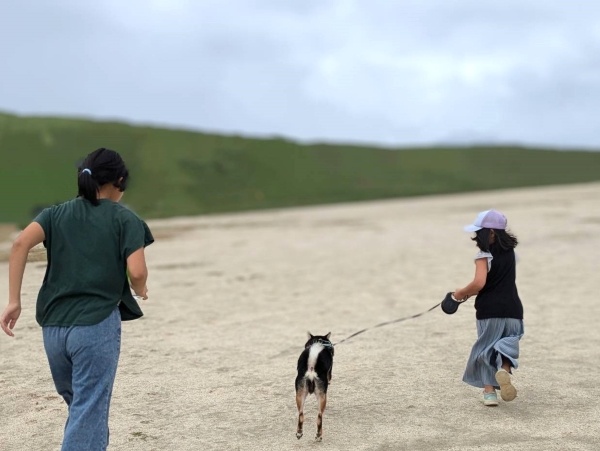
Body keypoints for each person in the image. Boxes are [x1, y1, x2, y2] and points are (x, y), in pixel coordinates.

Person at [0, 148, 154, 450]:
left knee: (82, 408)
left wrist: (14, 300)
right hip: (94, 325)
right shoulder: (124, 218)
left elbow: (19, 244)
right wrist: (142, 289)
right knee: (89, 409)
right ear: (120, 181)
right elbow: (136, 271)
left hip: (53, 328)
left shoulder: (55, 214)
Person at [453, 209, 524, 407]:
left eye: (479, 232)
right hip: (512, 309)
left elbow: (478, 284)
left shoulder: (483, 256)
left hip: (489, 310)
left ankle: (489, 393)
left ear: (491, 233)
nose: (476, 236)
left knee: (486, 348)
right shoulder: (511, 254)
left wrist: (459, 294)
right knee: (510, 340)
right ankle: (504, 368)